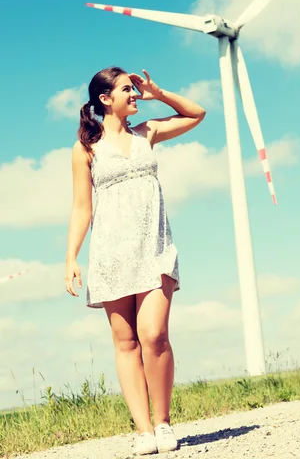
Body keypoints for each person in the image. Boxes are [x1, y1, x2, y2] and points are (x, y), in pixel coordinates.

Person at [64, 66, 206, 455]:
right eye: (128, 89)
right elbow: (81, 208)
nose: (135, 94)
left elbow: (196, 114)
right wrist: (71, 257)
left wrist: (159, 93)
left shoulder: (148, 133)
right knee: (125, 341)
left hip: (155, 248)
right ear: (105, 99)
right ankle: (143, 430)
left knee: (154, 335)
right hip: (111, 252)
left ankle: (162, 423)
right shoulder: (86, 150)